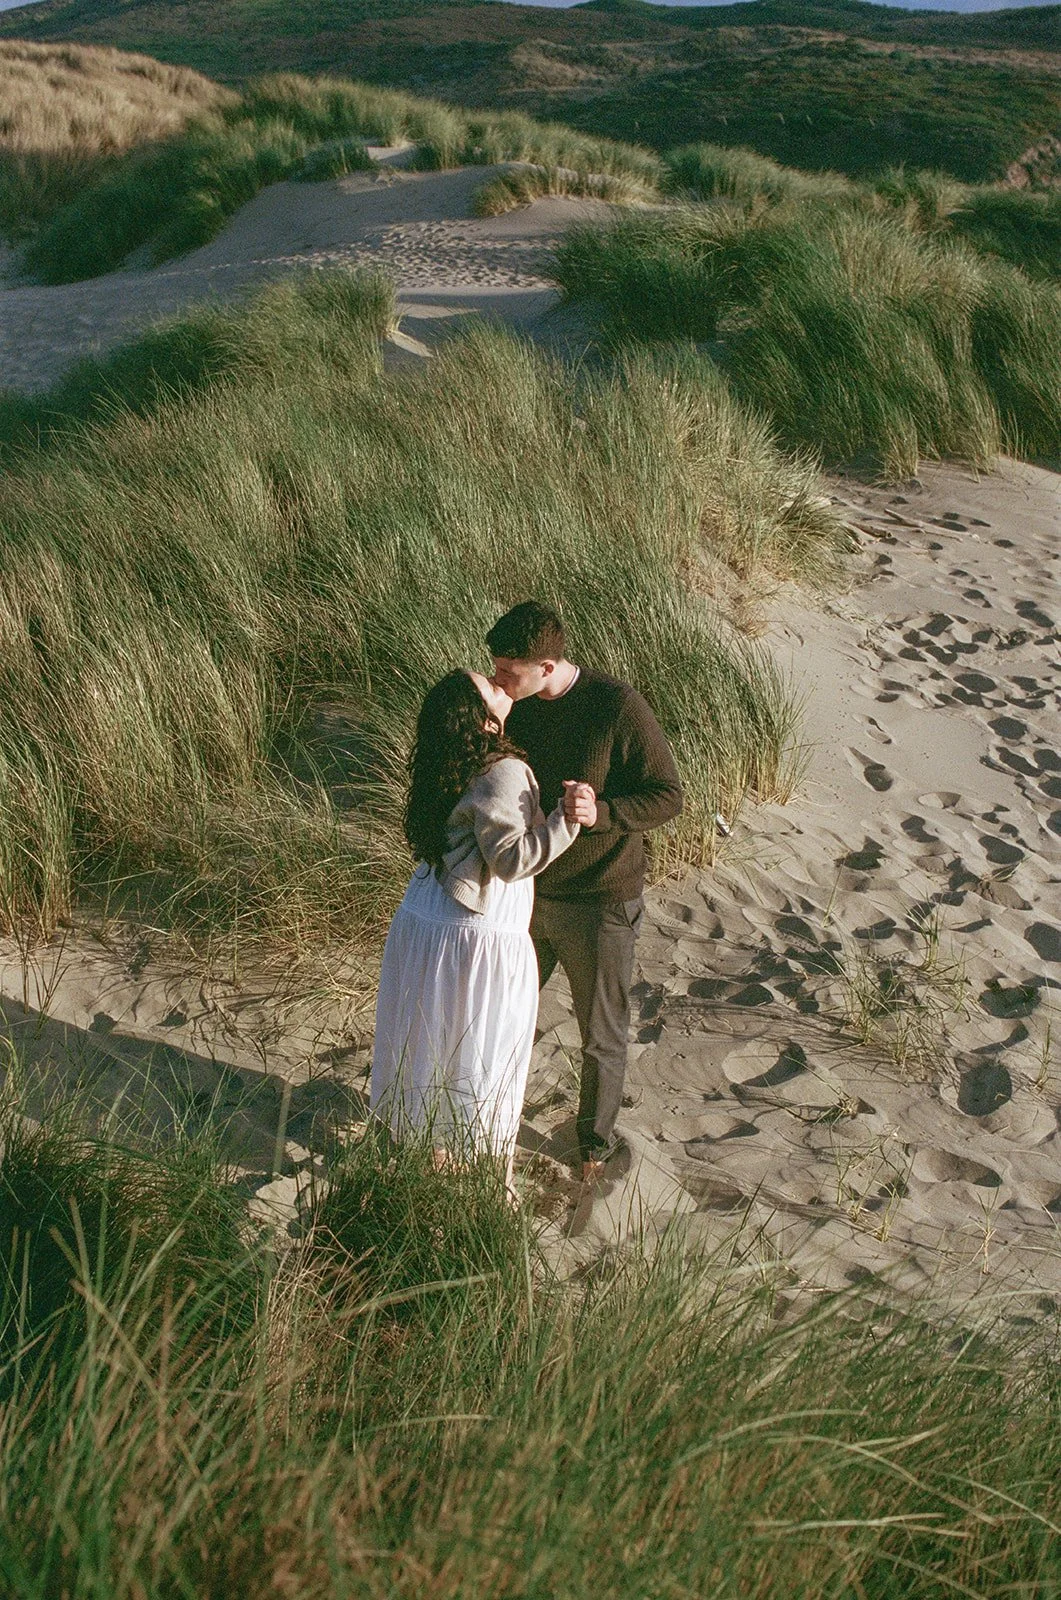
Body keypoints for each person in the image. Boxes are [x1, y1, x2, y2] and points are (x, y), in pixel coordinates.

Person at [488, 602, 683, 1187]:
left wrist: (602, 812)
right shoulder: (513, 708)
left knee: (600, 1033)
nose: (499, 681)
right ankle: (487, 1120)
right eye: (494, 668)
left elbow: (667, 795)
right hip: (524, 895)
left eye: (509, 671)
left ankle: (595, 1145)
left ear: (546, 665)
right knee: (504, 1015)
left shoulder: (616, 706)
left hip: (600, 900)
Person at [370, 668, 582, 1192]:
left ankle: (421, 1157)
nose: (497, 680)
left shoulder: (445, 762)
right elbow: (511, 860)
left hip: (425, 917)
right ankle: (479, 1176)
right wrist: (566, 821)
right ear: (483, 721)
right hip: (476, 932)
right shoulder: (503, 770)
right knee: (483, 1053)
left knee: (429, 1045)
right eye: (486, 684)